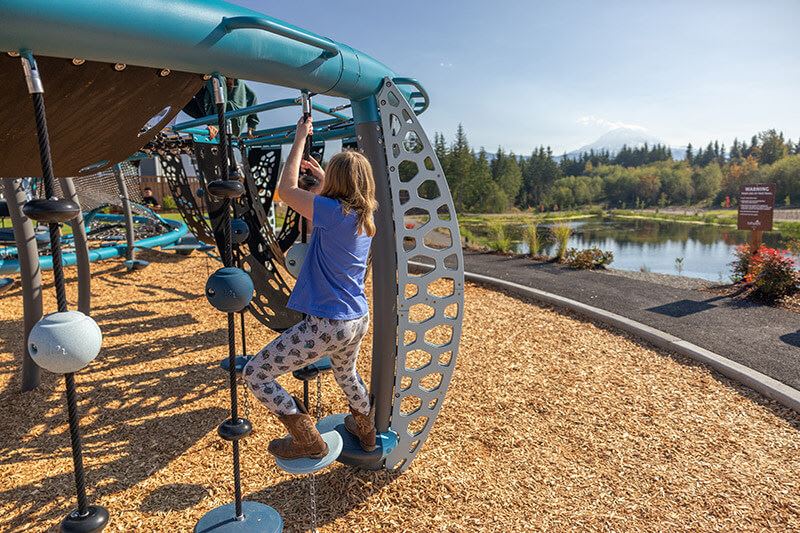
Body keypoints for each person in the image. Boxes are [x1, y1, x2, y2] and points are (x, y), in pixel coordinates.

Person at [243, 115, 377, 460]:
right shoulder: (363, 217)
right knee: (346, 372)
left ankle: (306, 439)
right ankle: (366, 430)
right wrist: (322, 182)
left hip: (328, 323)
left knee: (255, 373)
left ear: (336, 183)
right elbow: (329, 206)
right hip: (357, 317)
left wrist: (300, 137)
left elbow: (286, 191)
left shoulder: (332, 213)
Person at [182, 76, 259, 139]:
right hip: (228, 121)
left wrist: (216, 125)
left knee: (191, 89)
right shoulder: (236, 77)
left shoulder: (217, 76)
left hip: (224, 120)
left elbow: (221, 98)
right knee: (183, 98)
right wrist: (251, 125)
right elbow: (252, 96)